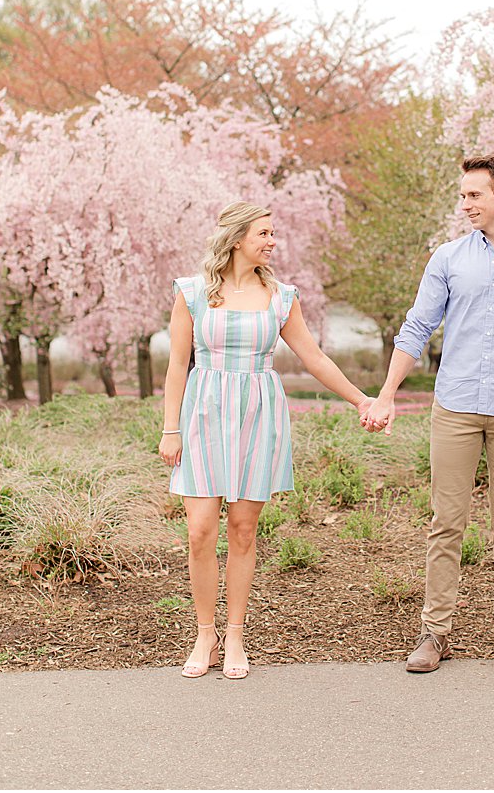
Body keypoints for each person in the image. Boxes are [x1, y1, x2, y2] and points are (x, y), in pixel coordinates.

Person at [362, 155, 494, 675]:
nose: (466, 204)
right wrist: (386, 393)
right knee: (445, 523)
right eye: (463, 195)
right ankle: (435, 633)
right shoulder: (448, 259)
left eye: (474, 194)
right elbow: (416, 328)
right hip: (454, 407)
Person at [159, 201, 372, 679]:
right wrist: (169, 428)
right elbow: (176, 365)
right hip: (203, 413)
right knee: (199, 532)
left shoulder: (280, 296)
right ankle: (205, 633)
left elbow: (314, 359)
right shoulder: (192, 293)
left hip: (258, 414)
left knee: (243, 530)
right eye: (264, 233)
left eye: (273, 233)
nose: (272, 241)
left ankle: (235, 634)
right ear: (237, 238)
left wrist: (361, 400)